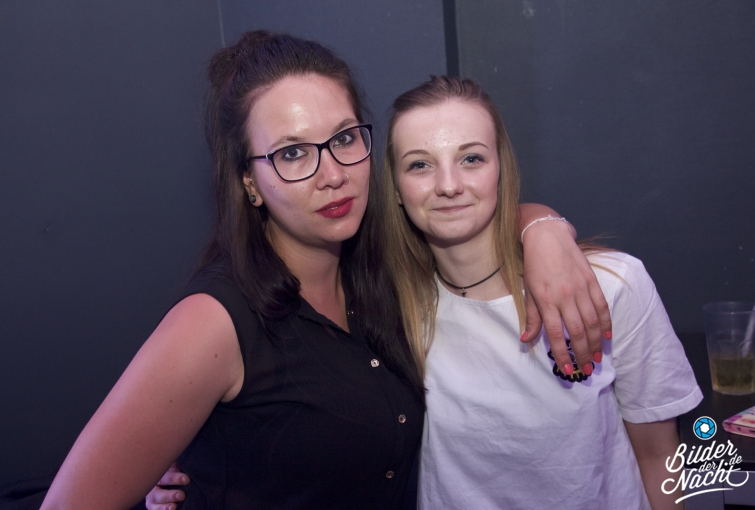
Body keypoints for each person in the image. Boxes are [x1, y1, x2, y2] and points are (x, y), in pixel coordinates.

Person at [41, 31, 610, 510]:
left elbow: (469, 216)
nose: (332, 174)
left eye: (342, 138)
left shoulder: (385, 276)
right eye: (292, 153)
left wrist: (541, 227)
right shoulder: (214, 322)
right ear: (249, 182)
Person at [381, 76, 702, 509]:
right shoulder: (391, 304)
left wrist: (542, 224)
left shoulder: (611, 285)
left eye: (471, 158)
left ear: (502, 169)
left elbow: (660, 457)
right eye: (420, 165)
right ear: (397, 189)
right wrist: (541, 222)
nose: (449, 185)